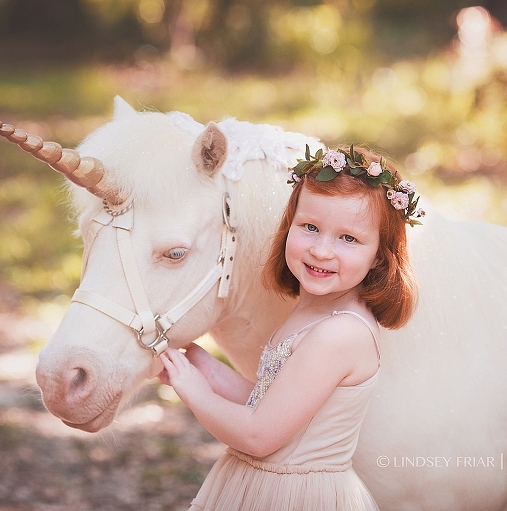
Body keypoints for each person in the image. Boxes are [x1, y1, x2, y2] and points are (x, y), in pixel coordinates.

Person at [159, 145, 422, 511]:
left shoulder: (340, 334)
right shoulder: (316, 310)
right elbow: (269, 401)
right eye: (310, 227)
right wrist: (202, 367)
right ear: (290, 225)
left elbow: (257, 434)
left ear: (380, 253)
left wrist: (194, 393)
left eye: (348, 238)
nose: (321, 250)